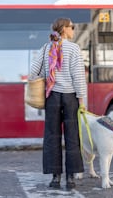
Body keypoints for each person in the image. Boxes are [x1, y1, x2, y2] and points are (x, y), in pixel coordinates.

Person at [29, 18, 87, 190]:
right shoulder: (73, 48)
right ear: (65, 29)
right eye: (72, 27)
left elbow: (33, 72)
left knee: (52, 137)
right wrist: (82, 100)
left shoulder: (46, 47)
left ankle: (55, 178)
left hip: (52, 97)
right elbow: (78, 76)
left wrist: (48, 74)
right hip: (70, 98)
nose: (74, 30)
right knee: (72, 137)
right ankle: (70, 179)